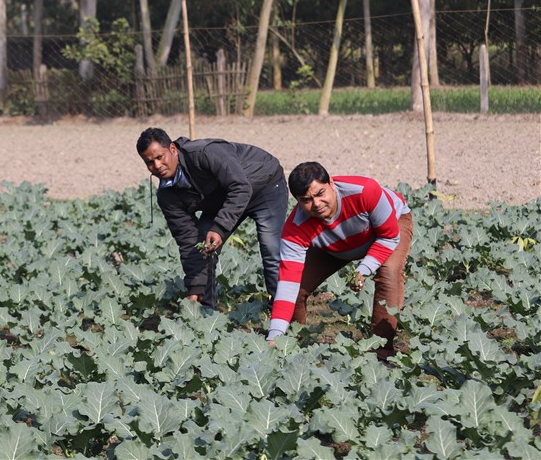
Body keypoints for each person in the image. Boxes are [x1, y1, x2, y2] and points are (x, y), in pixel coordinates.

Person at [267, 161, 413, 361]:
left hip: (387, 229)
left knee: (390, 273)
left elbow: (388, 237)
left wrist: (363, 269)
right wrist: (275, 336)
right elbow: (287, 284)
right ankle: (291, 344)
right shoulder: (295, 230)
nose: (317, 204)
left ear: (332, 184)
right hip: (335, 245)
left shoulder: (365, 191)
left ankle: (382, 352)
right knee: (298, 286)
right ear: (298, 201)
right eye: (306, 200)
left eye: (320, 193)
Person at [136, 127, 289, 310]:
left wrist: (219, 227)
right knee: (203, 245)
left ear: (173, 149)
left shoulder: (204, 153)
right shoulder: (167, 195)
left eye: (160, 157)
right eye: (149, 162)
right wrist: (195, 285)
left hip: (264, 184)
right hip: (224, 199)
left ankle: (281, 313)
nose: (157, 165)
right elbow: (187, 238)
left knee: (271, 250)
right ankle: (205, 314)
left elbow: (240, 187)